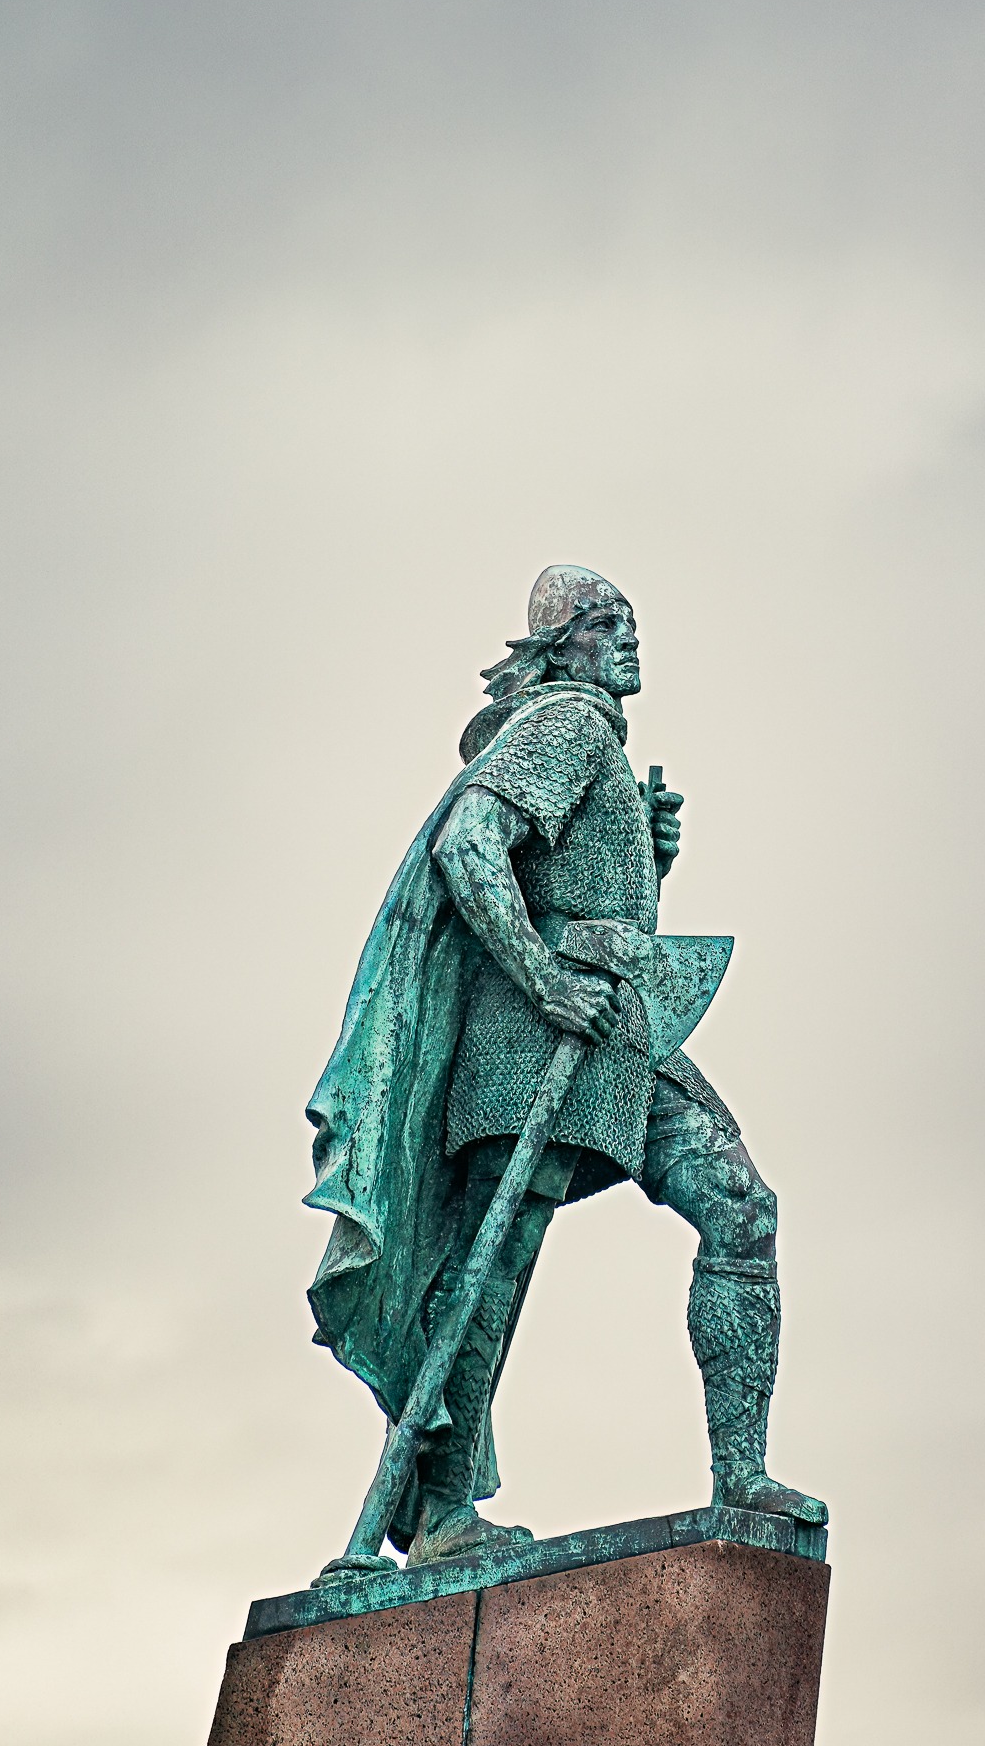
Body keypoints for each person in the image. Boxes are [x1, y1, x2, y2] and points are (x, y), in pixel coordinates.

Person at [305, 565, 825, 1566]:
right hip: (541, 1034)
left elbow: (566, 882)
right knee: (488, 1271)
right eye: (607, 622)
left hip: (616, 1025)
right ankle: (444, 1511)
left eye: (633, 620)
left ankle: (742, 1473)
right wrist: (543, 979)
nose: (631, 637)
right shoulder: (566, 725)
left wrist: (650, 861)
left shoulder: (589, 739)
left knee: (740, 1208)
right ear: (562, 643)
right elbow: (470, 844)